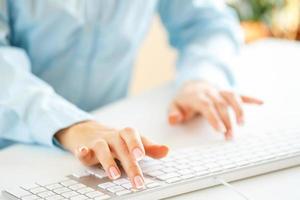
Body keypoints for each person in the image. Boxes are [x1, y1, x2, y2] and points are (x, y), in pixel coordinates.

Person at [0, 0, 262, 189]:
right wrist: (71, 125)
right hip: (12, 155)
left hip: (108, 151)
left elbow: (208, 23)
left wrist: (201, 79)